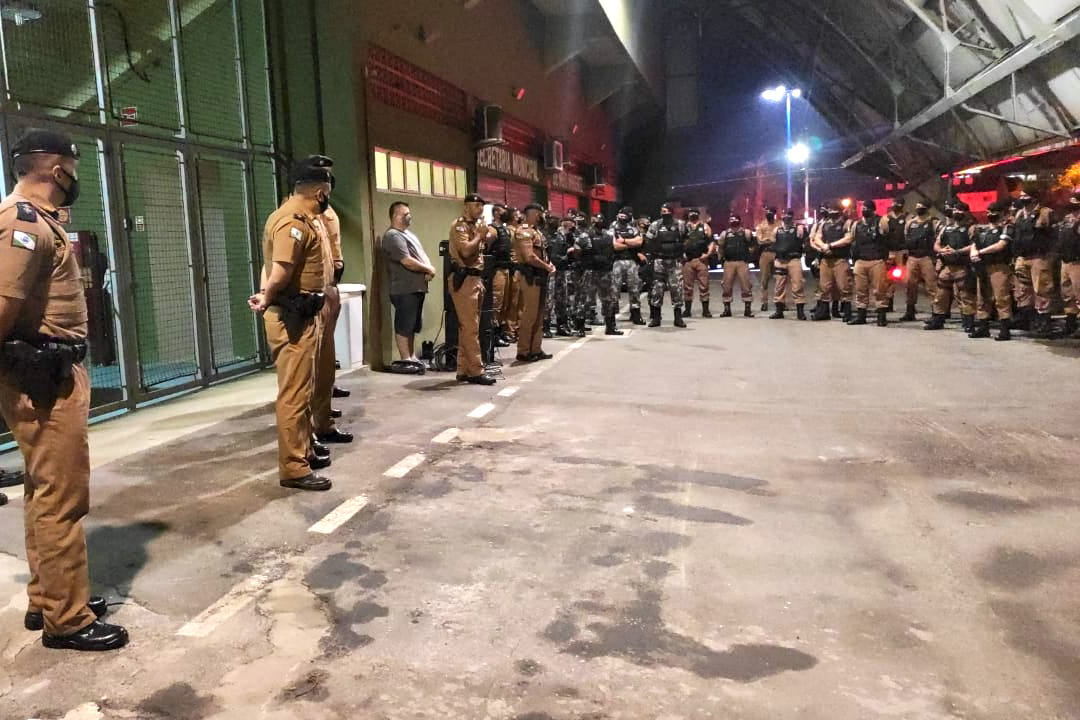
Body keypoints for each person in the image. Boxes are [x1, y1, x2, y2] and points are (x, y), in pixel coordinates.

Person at [0, 129, 127, 650]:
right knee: (62, 498)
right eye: (73, 167)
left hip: (49, 373)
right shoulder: (24, 223)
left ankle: (49, 597)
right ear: (57, 170)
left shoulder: (40, 219)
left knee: (44, 490)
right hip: (42, 380)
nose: (76, 177)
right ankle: (67, 620)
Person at [249, 156, 334, 491]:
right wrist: (266, 295)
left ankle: (305, 450)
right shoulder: (292, 220)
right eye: (327, 189)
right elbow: (280, 270)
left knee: (304, 390)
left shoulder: (307, 218)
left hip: (305, 314)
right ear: (319, 191)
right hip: (292, 317)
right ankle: (294, 468)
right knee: (294, 395)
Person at [380, 200, 435, 374]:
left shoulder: (408, 235)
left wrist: (428, 268)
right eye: (405, 214)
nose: (409, 217)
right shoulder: (393, 236)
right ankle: (405, 359)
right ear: (395, 216)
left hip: (416, 288)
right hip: (404, 289)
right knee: (404, 325)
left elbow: (420, 255)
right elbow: (407, 261)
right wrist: (428, 269)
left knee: (412, 325)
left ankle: (412, 357)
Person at [446, 195, 495, 384]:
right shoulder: (460, 226)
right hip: (465, 279)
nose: (480, 209)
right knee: (470, 328)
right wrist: (480, 236)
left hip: (476, 278)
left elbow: (491, 238)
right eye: (476, 205)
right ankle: (476, 371)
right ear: (466, 207)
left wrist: (485, 233)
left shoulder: (477, 226)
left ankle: (463, 369)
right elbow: (466, 251)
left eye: (482, 205)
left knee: (467, 328)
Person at [514, 204, 556, 361]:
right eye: (541, 214)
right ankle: (523, 351)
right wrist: (547, 267)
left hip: (540, 275)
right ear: (535, 214)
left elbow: (542, 253)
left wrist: (549, 265)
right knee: (530, 315)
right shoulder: (523, 231)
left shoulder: (537, 232)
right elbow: (529, 257)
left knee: (539, 315)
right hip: (529, 276)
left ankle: (535, 349)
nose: (543, 217)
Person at [925, 201, 975, 331]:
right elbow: (936, 244)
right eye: (955, 210)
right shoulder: (946, 228)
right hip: (947, 266)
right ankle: (938, 320)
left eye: (960, 210)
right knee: (941, 294)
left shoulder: (971, 228)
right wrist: (941, 250)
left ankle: (968, 322)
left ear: (966, 213)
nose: (957, 213)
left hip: (962, 266)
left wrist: (958, 251)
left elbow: (974, 245)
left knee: (965, 295)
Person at [969, 201, 1014, 341]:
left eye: (994, 212)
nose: (990, 214)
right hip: (983, 266)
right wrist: (974, 253)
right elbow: (974, 243)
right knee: (982, 297)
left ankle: (1005, 329)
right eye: (988, 212)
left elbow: (1001, 245)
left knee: (1001, 297)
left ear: (1002, 213)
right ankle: (983, 327)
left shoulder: (1006, 228)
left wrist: (980, 252)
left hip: (999, 266)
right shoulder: (982, 229)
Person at [1012, 193, 1054, 337]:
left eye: (1025, 195)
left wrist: (1050, 256)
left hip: (1039, 256)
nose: (1022, 198)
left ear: (1034, 197)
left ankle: (1044, 322)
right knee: (1023, 290)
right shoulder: (1019, 214)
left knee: (1042, 290)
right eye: (1021, 196)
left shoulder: (1046, 212)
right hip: (1022, 257)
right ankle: (1026, 319)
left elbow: (1053, 236)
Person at [644, 203, 687, 327]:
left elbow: (685, 239)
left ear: (672, 212)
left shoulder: (680, 224)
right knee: (657, 290)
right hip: (659, 261)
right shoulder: (655, 225)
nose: (665, 213)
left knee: (677, 289)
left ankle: (678, 318)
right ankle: (656, 318)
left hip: (674, 261)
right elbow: (648, 241)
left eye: (667, 211)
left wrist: (682, 252)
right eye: (663, 211)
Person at [849, 200, 890, 326]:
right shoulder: (857, 224)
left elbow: (887, 236)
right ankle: (861, 316)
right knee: (860, 289)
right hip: (861, 261)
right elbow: (852, 239)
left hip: (876, 260)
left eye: (867, 208)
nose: (864, 210)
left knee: (879, 290)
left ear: (873, 210)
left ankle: (881, 316)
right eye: (863, 208)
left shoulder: (880, 221)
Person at [809, 207, 853, 322]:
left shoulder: (847, 223)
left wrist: (831, 245)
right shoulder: (824, 224)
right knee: (824, 287)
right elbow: (817, 238)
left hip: (840, 259)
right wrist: (823, 246)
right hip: (826, 259)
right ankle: (824, 312)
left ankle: (847, 312)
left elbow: (848, 239)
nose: (832, 213)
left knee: (844, 286)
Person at [899, 200, 938, 322]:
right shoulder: (910, 223)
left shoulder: (934, 222)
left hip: (927, 257)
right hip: (912, 257)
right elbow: (906, 237)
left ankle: (936, 313)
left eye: (921, 206)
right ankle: (910, 311)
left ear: (927, 208)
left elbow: (938, 239)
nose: (918, 208)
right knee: (910, 285)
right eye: (917, 206)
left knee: (931, 286)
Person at [769, 209, 807, 320]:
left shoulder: (798, 229)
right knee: (779, 286)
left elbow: (805, 240)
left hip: (794, 260)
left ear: (792, 217)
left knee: (797, 284)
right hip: (780, 260)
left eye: (789, 215)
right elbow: (772, 242)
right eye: (784, 215)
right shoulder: (777, 230)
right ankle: (779, 311)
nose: (786, 217)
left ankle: (800, 312)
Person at [611, 207, 645, 325]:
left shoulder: (633, 229)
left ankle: (635, 314)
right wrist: (631, 244)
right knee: (614, 289)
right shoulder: (613, 228)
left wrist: (624, 241)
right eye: (620, 215)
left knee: (634, 288)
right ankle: (611, 316)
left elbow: (639, 242)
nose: (622, 217)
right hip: (617, 261)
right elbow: (615, 246)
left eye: (624, 215)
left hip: (631, 261)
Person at [592, 215, 625, 335]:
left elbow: (617, 245)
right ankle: (579, 326)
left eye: (600, 220)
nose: (598, 222)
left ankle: (610, 326)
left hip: (605, 270)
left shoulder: (609, 234)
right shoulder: (587, 234)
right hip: (590, 270)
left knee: (608, 299)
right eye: (596, 220)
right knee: (585, 299)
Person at [717, 214, 755, 318]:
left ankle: (748, 309)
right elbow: (720, 247)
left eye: (735, 219)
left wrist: (749, 255)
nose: (733, 221)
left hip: (742, 262)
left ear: (739, 220)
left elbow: (753, 246)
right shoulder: (725, 234)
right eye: (731, 219)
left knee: (746, 285)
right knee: (726, 286)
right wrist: (721, 259)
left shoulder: (746, 233)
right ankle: (727, 309)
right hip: (729, 262)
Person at [488, 203, 515, 346]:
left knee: (505, 304)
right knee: (496, 303)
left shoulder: (504, 229)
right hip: (497, 270)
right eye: (503, 211)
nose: (506, 213)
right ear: (496, 213)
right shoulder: (492, 229)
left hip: (506, 269)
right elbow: (486, 248)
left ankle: (500, 332)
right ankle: (492, 335)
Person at [682, 208, 714, 317]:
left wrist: (708, 254)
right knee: (687, 286)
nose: (693, 215)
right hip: (688, 261)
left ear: (698, 215)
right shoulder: (684, 227)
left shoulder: (705, 227)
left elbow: (711, 242)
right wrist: (682, 254)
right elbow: (679, 242)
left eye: (695, 213)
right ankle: (687, 310)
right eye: (691, 213)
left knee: (704, 285)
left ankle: (705, 310)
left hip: (701, 260)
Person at [567, 212, 596, 336]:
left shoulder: (587, 234)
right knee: (572, 297)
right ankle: (574, 322)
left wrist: (573, 249)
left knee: (581, 297)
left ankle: (579, 324)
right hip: (572, 268)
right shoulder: (568, 234)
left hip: (583, 268)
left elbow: (578, 250)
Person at [546, 214, 573, 337]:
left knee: (562, 299)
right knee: (548, 300)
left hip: (561, 270)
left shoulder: (561, 236)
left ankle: (561, 325)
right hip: (549, 271)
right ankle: (545, 326)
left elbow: (565, 249)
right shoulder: (543, 235)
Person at [1059, 194, 1080, 338]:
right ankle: (1070, 324)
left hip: (1078, 261)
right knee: (1068, 295)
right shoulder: (1067, 219)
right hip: (1065, 261)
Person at [883, 199, 907, 313]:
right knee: (888, 278)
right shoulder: (886, 218)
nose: (895, 206)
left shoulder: (908, 218)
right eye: (894, 204)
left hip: (903, 251)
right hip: (890, 251)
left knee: (907, 279)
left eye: (898, 204)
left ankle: (910, 307)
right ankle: (888, 302)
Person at [755, 207, 779, 312]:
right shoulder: (761, 225)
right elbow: (760, 241)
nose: (769, 214)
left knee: (780, 279)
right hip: (765, 254)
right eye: (768, 212)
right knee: (764, 280)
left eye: (771, 212)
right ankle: (764, 302)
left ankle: (780, 302)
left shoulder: (779, 224)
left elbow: (782, 238)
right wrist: (773, 240)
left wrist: (768, 239)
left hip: (778, 254)